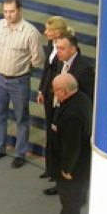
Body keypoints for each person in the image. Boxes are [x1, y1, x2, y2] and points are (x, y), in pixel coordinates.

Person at [0, 0, 44, 168]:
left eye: (11, 11)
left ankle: (20, 153)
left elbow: (37, 59)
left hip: (19, 81)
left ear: (19, 10)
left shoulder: (31, 32)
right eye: (5, 11)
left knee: (21, 118)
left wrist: (22, 68)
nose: (8, 15)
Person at [47, 73, 92, 214]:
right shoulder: (82, 98)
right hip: (78, 160)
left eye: (55, 90)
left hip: (72, 165)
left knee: (69, 196)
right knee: (68, 196)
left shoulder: (72, 114)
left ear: (63, 91)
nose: (53, 93)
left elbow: (71, 146)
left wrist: (67, 169)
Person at [37, 16, 73, 190]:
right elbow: (47, 69)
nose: (45, 32)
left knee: (57, 133)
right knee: (49, 132)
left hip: (58, 96)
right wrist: (41, 90)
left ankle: (59, 171)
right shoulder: (51, 44)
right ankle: (50, 168)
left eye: (49, 30)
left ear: (58, 33)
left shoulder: (64, 50)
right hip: (48, 94)